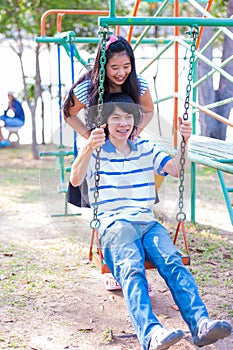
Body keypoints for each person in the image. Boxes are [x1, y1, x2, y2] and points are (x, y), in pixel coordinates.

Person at [70, 92, 232, 350]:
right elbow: (76, 180)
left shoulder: (146, 148)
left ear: (135, 121)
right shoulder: (95, 149)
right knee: (132, 270)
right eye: (116, 118)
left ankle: (200, 324)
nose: (123, 123)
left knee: (173, 263)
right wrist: (88, 145)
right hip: (115, 226)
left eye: (128, 117)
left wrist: (184, 141)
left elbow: (178, 170)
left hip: (147, 224)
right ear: (105, 122)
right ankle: (152, 333)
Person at [63, 34, 154, 207]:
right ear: (103, 66)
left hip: (125, 144)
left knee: (132, 195)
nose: (121, 73)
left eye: (126, 66)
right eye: (114, 67)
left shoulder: (138, 84)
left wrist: (136, 132)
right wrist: (90, 136)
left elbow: (149, 110)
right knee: (102, 198)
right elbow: (69, 114)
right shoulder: (88, 88)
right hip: (98, 148)